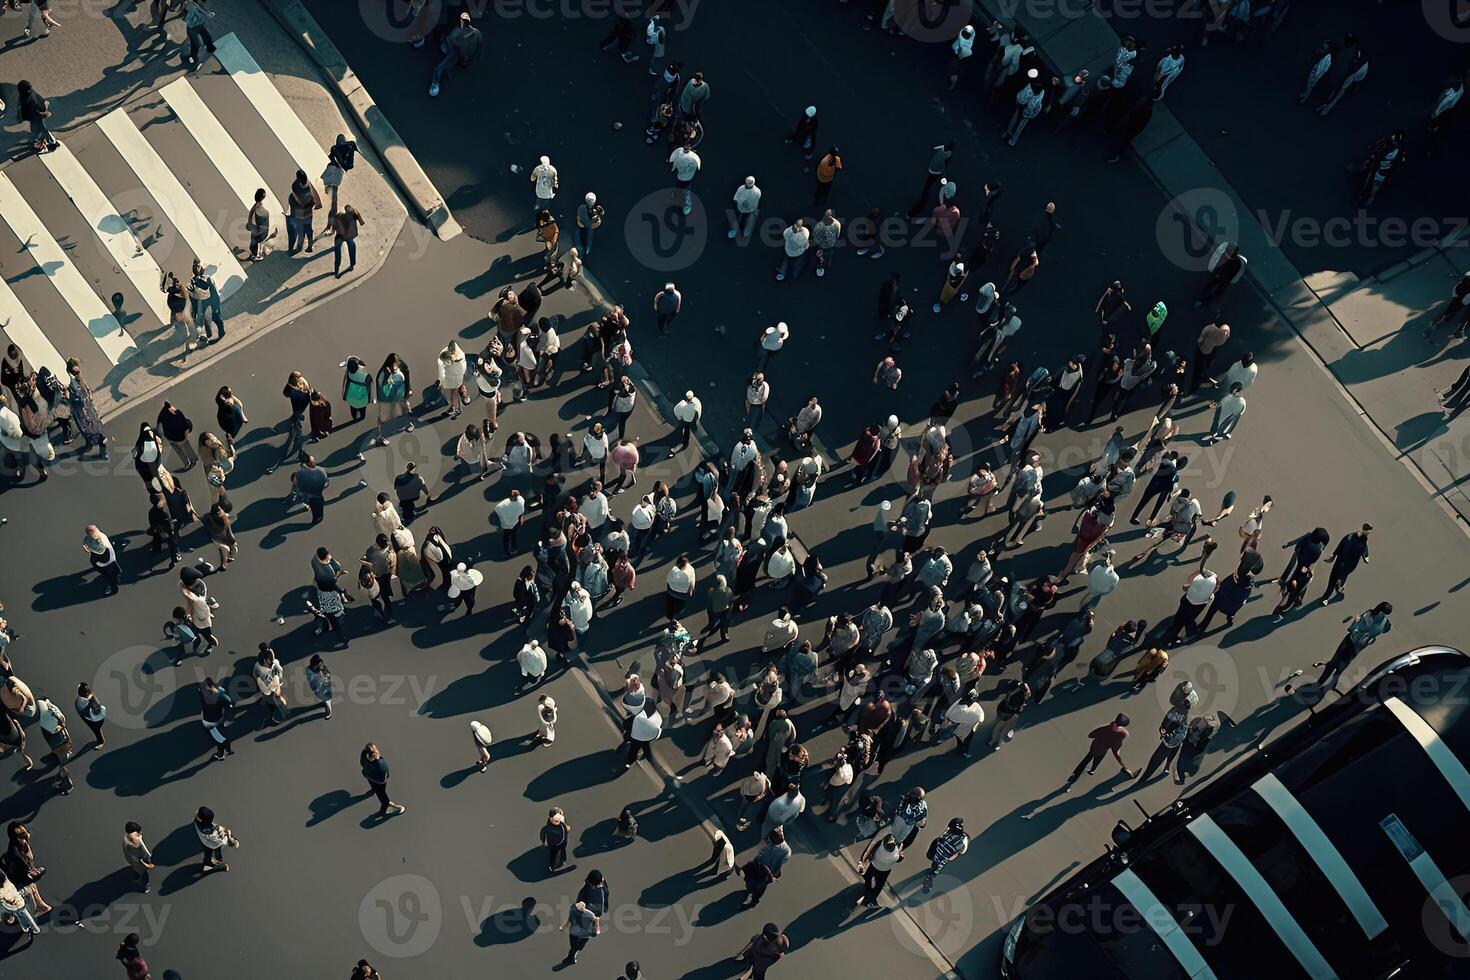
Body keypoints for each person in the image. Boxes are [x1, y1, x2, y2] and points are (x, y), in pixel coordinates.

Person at [1288, 602, 1394, 695]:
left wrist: (1353, 627)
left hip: (1351, 640)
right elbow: (1387, 629)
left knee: (1334, 661)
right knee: (1344, 663)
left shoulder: (1370, 614)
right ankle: (1334, 681)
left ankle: (1320, 682)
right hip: (1360, 646)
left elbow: (1357, 625)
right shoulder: (1385, 622)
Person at [1065, 713, 1136, 789]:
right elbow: (1116, 752)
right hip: (1101, 751)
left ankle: (1074, 774)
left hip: (1094, 747)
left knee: (1085, 760)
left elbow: (1091, 735)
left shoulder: (1105, 728)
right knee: (1096, 761)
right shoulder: (1118, 738)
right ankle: (1091, 771)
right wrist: (1123, 765)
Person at [429, 10, 483, 97]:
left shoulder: (457, 35)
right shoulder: (476, 34)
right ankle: (438, 80)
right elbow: (479, 46)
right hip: (460, 50)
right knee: (445, 65)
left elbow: (452, 43)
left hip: (455, 49)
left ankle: (435, 83)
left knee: (440, 68)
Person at [1319, 524, 1372, 604]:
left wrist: (1333, 555)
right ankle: (1332, 592)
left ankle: (1332, 592)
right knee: (1338, 578)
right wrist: (1365, 556)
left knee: (1336, 579)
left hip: (1343, 565)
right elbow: (1365, 555)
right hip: (1345, 566)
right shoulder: (1360, 544)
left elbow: (1340, 546)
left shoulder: (1350, 537)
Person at [856, 833, 902, 908]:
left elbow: (872, 849)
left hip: (874, 865)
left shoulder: (880, 845)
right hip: (884, 871)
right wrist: (900, 851)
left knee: (869, 879)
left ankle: (866, 892)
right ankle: (871, 900)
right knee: (878, 886)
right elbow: (899, 859)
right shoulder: (894, 856)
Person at [360, 743, 406, 816]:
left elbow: (362, 765)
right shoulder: (380, 764)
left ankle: (383, 801)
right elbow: (382, 780)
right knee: (380, 794)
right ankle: (384, 805)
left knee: (378, 791)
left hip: (374, 779)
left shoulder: (365, 755)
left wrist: (366, 775)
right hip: (376, 780)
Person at [194, 806, 237, 872]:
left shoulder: (197, 819)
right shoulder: (211, 833)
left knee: (208, 852)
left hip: (205, 842)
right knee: (217, 852)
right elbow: (220, 842)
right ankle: (218, 862)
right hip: (212, 844)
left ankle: (207, 863)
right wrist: (226, 837)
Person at [122, 822, 154, 893]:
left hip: (130, 859)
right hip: (138, 861)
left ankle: (135, 872)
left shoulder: (125, 836)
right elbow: (145, 852)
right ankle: (146, 885)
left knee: (136, 868)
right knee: (144, 874)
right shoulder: (136, 842)